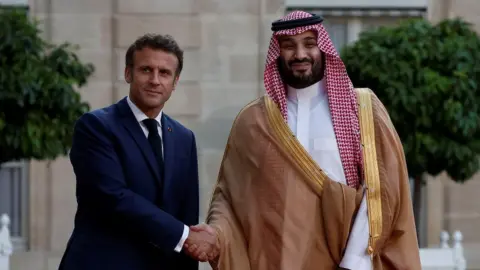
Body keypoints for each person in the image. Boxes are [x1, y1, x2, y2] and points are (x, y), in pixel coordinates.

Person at [185, 11, 421, 270]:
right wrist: (216, 235)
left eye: (309, 44)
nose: (299, 55)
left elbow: (382, 190)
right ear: (278, 53)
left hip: (348, 259)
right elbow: (230, 196)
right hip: (276, 259)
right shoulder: (253, 121)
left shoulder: (362, 109)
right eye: (289, 46)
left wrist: (353, 262)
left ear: (323, 48)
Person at [58, 34, 215, 270]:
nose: (155, 80)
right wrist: (185, 236)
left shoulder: (184, 138)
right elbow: (113, 197)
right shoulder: (96, 126)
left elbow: (186, 214)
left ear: (175, 82)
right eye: (146, 70)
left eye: (164, 73)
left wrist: (189, 240)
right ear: (128, 73)